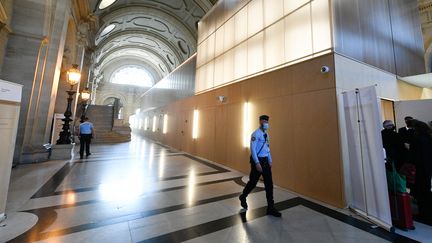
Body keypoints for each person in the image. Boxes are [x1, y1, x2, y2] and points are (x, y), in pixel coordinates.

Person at [239, 115, 281, 217]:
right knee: (253, 182)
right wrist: (257, 163)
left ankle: (270, 208)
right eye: (263, 121)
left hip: (266, 161)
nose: (265, 122)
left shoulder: (267, 134)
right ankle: (243, 196)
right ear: (260, 122)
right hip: (257, 161)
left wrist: (270, 160)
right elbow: (252, 149)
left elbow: (267, 148)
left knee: (269, 185)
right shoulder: (255, 134)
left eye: (266, 121)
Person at [410, 120, 432, 225]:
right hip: (428, 168)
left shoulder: (417, 139)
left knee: (421, 192)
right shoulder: (429, 137)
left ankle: (423, 214)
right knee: (427, 191)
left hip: (420, 169)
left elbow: (414, 156)